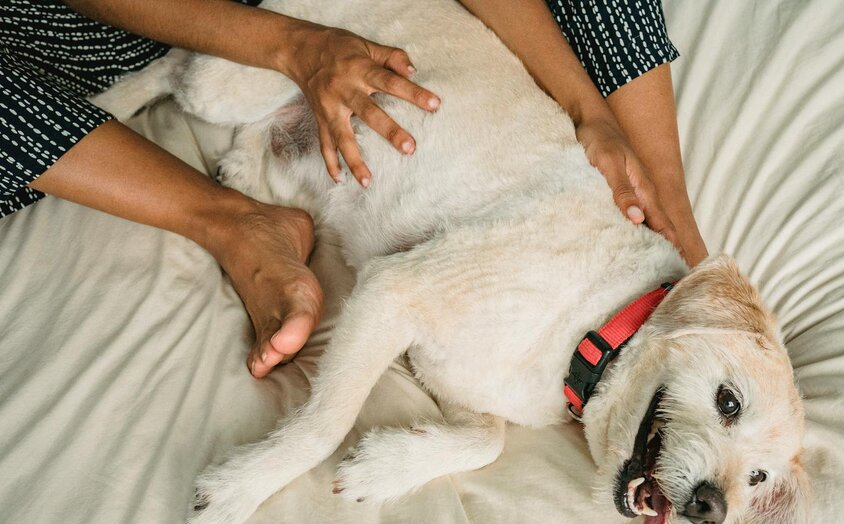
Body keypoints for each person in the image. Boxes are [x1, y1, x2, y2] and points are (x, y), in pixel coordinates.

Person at [0, 0, 707, 379]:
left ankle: (665, 207)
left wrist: (590, 114)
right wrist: (294, 46)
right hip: (98, 27)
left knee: (632, 168)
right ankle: (230, 223)